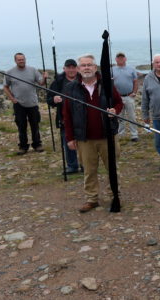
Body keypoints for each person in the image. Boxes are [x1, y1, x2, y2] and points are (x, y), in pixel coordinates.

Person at [63, 54, 123, 213]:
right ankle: (92, 199)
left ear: (95, 67)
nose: (86, 68)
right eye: (83, 65)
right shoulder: (70, 88)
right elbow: (67, 115)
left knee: (112, 168)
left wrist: (115, 111)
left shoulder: (107, 84)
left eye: (89, 65)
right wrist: (70, 138)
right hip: (85, 138)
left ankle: (114, 195)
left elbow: (119, 102)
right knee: (89, 170)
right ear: (78, 69)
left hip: (108, 135)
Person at [3, 52, 47, 155]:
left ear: (25, 59)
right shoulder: (9, 72)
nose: (21, 61)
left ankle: (37, 144)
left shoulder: (32, 70)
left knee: (35, 125)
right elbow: (5, 86)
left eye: (23, 59)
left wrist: (44, 77)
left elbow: (41, 83)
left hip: (32, 103)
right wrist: (12, 99)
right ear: (15, 61)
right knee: (21, 126)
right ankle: (23, 147)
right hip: (19, 104)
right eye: (19, 60)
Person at [47, 58, 80, 173]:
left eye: (73, 67)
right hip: (64, 117)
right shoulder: (58, 81)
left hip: (82, 117)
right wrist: (54, 99)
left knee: (84, 142)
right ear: (64, 69)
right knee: (68, 141)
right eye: (68, 67)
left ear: (77, 68)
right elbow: (49, 99)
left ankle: (86, 164)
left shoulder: (83, 80)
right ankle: (72, 165)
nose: (71, 70)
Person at [112, 52, 139, 142]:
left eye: (122, 57)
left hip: (129, 96)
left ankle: (134, 135)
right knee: (119, 116)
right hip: (117, 98)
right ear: (116, 59)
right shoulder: (112, 70)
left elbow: (135, 81)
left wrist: (134, 92)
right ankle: (120, 134)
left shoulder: (131, 69)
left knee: (132, 116)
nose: (120, 59)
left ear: (125, 59)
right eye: (118, 58)